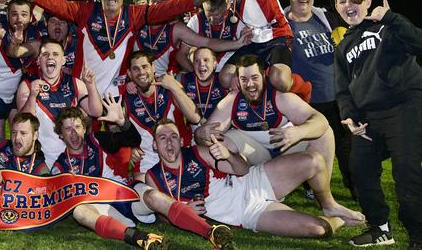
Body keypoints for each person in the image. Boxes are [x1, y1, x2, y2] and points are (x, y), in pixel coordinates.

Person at [198, 55, 364, 224]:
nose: (250, 84)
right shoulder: (231, 101)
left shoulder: (280, 97)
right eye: (244, 79)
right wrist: (201, 134)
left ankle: (327, 202)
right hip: (255, 154)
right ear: (238, 81)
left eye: (254, 78)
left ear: (263, 76)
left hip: (287, 146)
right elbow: (204, 136)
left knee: (324, 133)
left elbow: (320, 120)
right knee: (222, 142)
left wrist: (298, 132)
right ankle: (241, 195)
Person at [18, 0, 213, 99]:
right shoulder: (84, 11)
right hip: (85, 89)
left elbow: (165, 9)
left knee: (120, 153)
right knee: (84, 143)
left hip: (116, 91)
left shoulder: (134, 14)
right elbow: (55, 4)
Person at [52, 106, 236, 250]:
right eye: (67, 129)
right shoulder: (59, 167)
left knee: (153, 196)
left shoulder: (98, 140)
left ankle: (210, 231)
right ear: (60, 134)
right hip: (101, 208)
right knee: (79, 212)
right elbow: (58, 202)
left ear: (85, 129)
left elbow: (132, 139)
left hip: (123, 193)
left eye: (77, 126)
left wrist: (122, 122)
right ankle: (141, 239)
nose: (74, 132)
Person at [330, 0, 422, 248]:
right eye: (342, 1)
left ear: (368, 2)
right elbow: (342, 89)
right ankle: (380, 229)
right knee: (360, 171)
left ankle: (418, 237)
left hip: (402, 108)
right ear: (336, 8)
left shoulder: (388, 26)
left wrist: (392, 17)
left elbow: (419, 42)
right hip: (367, 119)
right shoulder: (343, 46)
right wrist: (349, 116)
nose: (349, 5)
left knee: (406, 175)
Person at [147, 119, 356, 237]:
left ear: (180, 140)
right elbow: (162, 217)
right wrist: (184, 212)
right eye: (162, 138)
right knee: (319, 229)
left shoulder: (197, 152)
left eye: (173, 136)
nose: (169, 143)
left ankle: (328, 204)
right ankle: (336, 220)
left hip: (253, 182)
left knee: (315, 161)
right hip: (247, 213)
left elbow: (243, 170)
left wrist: (229, 155)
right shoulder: (153, 176)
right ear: (155, 144)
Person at [283, 0, 353, 198]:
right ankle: (312, 186)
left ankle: (355, 188)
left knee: (345, 146)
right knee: (310, 145)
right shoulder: (282, 24)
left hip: (335, 95)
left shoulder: (325, 19)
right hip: (305, 99)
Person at [16, 39, 102, 168]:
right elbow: (23, 123)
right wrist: (32, 96)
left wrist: (90, 86)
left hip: (70, 157)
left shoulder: (75, 83)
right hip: (40, 157)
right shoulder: (27, 85)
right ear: (39, 61)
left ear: (63, 60)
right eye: (45, 54)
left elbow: (96, 111)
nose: (50, 57)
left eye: (55, 54)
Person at [134, 0, 251, 76]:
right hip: (136, 79)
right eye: (153, 1)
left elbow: (207, 42)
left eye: (162, 3)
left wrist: (238, 43)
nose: (157, 6)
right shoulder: (136, 20)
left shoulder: (176, 28)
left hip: (165, 80)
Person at [122, 51, 201, 178]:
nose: (141, 72)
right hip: (148, 157)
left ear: (153, 68)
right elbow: (115, 130)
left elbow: (195, 117)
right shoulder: (125, 98)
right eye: (135, 69)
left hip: (180, 151)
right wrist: (129, 149)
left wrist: (174, 87)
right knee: (142, 189)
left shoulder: (169, 87)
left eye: (145, 66)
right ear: (129, 74)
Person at [0, 0, 42, 139]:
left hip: (13, 95)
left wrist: (14, 44)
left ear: (30, 17)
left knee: (20, 136)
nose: (19, 19)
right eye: (14, 14)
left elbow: (14, 52)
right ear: (7, 15)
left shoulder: (34, 34)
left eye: (24, 14)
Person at [178, 47, 227, 121]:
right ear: (193, 64)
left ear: (215, 64)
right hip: (191, 126)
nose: (201, 64)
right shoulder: (182, 80)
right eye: (197, 60)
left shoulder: (224, 81)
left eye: (206, 60)